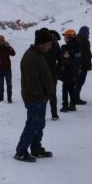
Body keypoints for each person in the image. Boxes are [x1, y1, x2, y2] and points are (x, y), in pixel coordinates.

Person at [14, 29, 55, 162]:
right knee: (33, 124)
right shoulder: (30, 57)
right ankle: (21, 151)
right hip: (35, 98)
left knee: (39, 124)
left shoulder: (38, 54)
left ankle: (36, 148)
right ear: (42, 43)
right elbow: (32, 82)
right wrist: (41, 96)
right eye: (49, 44)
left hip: (40, 97)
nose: (50, 47)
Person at [58, 29, 82, 113]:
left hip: (67, 71)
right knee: (72, 88)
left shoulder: (66, 47)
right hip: (75, 70)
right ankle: (73, 105)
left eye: (65, 36)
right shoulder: (78, 46)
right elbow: (79, 59)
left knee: (65, 89)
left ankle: (65, 106)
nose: (64, 38)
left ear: (69, 38)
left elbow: (63, 59)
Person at [44, 30, 63, 119]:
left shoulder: (43, 44)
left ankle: (42, 113)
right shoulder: (55, 44)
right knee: (52, 94)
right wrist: (57, 72)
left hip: (44, 72)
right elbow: (60, 60)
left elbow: (60, 60)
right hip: (52, 72)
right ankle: (54, 113)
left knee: (43, 94)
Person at [74, 26, 92, 104]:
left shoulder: (82, 40)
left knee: (79, 82)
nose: (88, 33)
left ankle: (75, 97)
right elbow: (80, 55)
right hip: (81, 66)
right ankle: (75, 99)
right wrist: (80, 66)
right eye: (87, 32)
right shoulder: (81, 41)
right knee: (78, 82)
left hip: (82, 65)